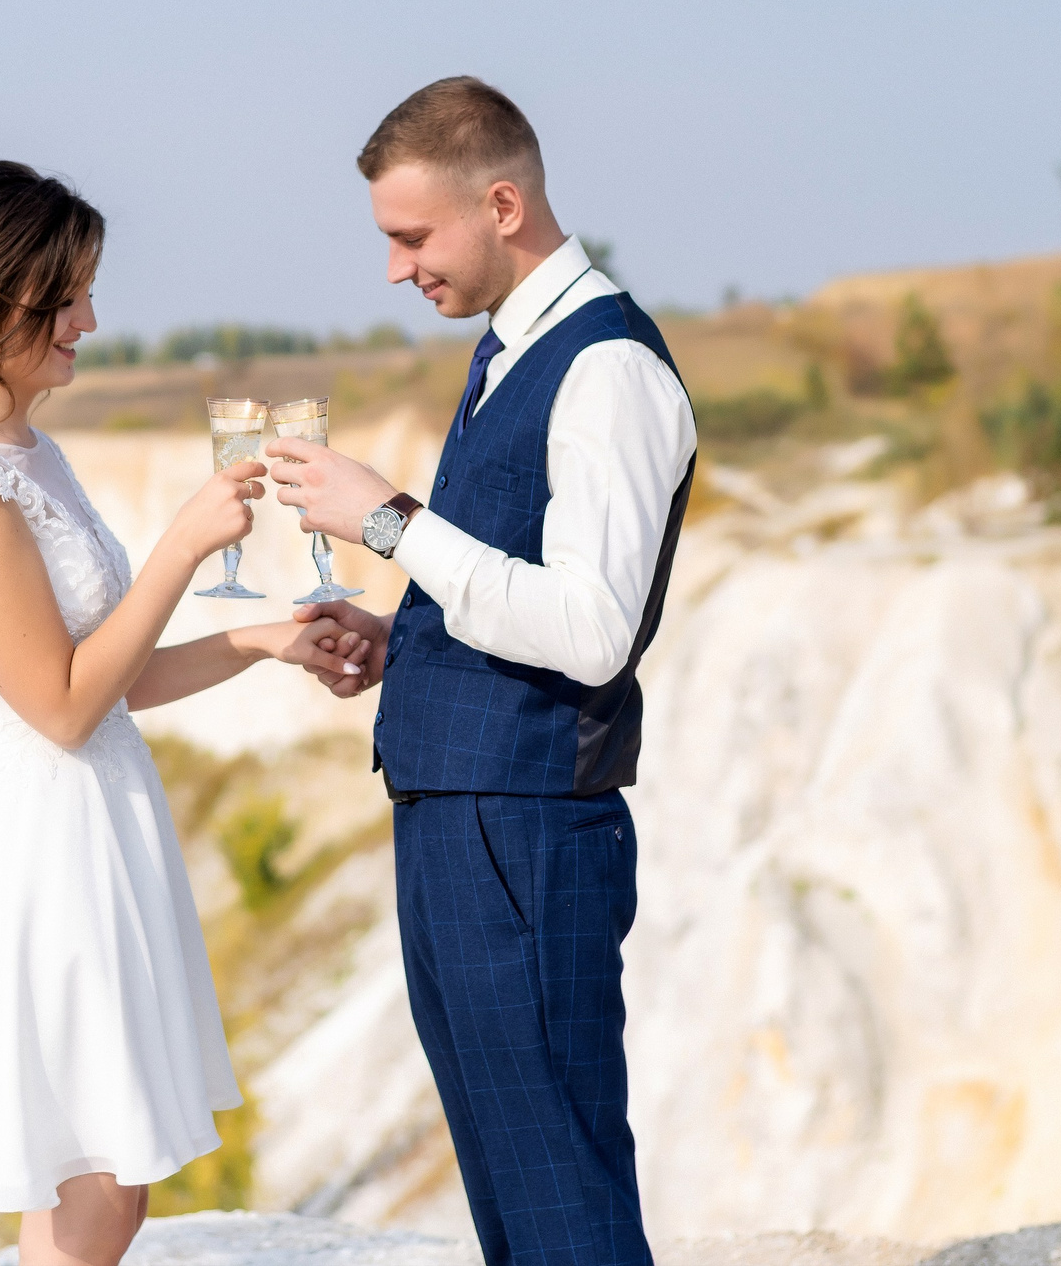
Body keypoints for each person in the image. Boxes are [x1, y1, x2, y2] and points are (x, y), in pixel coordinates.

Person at [0, 159, 370, 1266]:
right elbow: (56, 703)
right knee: (93, 1180)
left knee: (112, 1177)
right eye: (66, 296)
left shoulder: (25, 453)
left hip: (91, 818)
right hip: (36, 838)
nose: (90, 321)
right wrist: (185, 543)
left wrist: (263, 638)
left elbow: (114, 674)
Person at [270, 78, 697, 1266]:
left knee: (558, 1192)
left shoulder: (605, 365)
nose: (396, 268)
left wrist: (392, 520)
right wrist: (396, 632)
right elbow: (512, 581)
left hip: (526, 829)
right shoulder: (512, 347)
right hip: (466, 821)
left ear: (500, 202)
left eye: (411, 236)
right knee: (516, 1197)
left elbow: (593, 626)